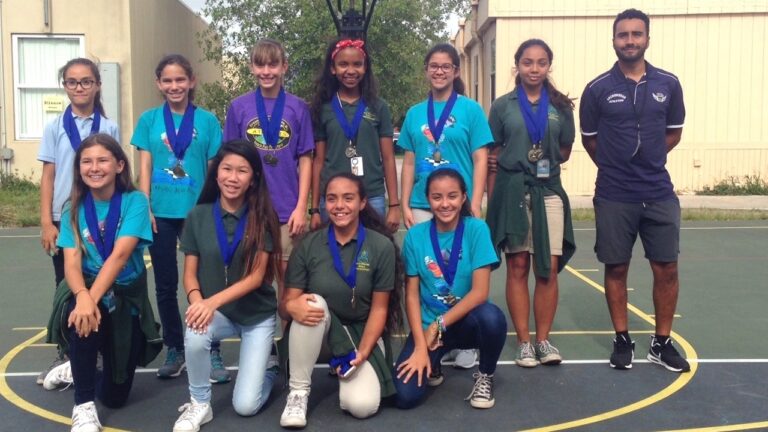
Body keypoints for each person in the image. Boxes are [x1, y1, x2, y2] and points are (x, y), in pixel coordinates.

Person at [580, 8, 689, 373]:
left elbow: (673, 132)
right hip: (614, 193)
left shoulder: (668, 84)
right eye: (623, 35)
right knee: (616, 267)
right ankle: (622, 338)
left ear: (647, 39)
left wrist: (650, 157)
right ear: (614, 40)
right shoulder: (597, 89)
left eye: (636, 34)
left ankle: (661, 343)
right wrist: (617, 164)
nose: (629, 41)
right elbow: (590, 140)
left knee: (667, 267)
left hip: (658, 191)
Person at [43, 134, 162, 432]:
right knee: (82, 319)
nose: (94, 168)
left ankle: (76, 370)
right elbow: (71, 263)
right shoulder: (73, 207)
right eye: (87, 161)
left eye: (102, 160)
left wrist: (89, 298)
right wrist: (83, 297)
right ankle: (83, 406)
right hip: (86, 287)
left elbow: (119, 256)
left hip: (124, 295)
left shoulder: (136, 201)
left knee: (115, 396)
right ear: (79, 168)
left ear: (119, 165)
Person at [172, 140, 282, 431]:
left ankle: (270, 367)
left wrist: (210, 303)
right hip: (219, 313)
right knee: (195, 329)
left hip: (255, 316)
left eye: (242, 171)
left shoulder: (263, 217)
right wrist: (198, 302)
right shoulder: (198, 216)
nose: (233, 178)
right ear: (216, 172)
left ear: (253, 178)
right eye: (227, 169)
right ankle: (199, 403)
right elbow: (190, 275)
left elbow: (256, 277)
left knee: (246, 406)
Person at [278, 173, 403, 428]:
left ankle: (347, 371)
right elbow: (285, 305)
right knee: (311, 303)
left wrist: (363, 353)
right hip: (321, 333)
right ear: (324, 203)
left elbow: (380, 309)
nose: (339, 206)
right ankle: (298, 392)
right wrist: (291, 306)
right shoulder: (309, 244)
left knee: (362, 406)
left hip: (360, 334)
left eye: (348, 198)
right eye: (332, 199)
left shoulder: (381, 246)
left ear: (362, 202)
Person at [398, 43, 493, 369]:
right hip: (423, 203)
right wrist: (405, 203)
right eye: (434, 66)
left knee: (460, 271)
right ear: (426, 70)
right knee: (429, 271)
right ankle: (432, 340)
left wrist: (476, 201)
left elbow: (480, 158)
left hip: (458, 203)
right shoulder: (414, 113)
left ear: (455, 71)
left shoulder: (471, 110)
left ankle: (463, 340)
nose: (439, 71)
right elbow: (410, 162)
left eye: (446, 66)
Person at [131, 54, 225, 382]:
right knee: (166, 283)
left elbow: (214, 169)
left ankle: (212, 347)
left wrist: (211, 208)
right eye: (168, 80)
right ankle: (175, 347)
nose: (174, 86)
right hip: (160, 213)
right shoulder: (148, 120)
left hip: (198, 212)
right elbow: (144, 166)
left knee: (207, 282)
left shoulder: (208, 121)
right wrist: (145, 207)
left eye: (180, 79)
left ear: (191, 81)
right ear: (159, 84)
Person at [486, 39, 577, 368]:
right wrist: (493, 199)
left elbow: (564, 150)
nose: (534, 69)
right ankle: (524, 342)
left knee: (547, 267)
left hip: (548, 189)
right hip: (513, 190)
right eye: (527, 62)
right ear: (517, 66)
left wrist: (540, 162)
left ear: (548, 66)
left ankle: (543, 340)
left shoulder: (561, 106)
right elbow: (493, 153)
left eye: (541, 62)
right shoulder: (502, 106)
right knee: (518, 265)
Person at [37, 58, 120, 385]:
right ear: (65, 87)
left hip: (99, 216)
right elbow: (48, 176)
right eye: (72, 82)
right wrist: (47, 222)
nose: (79, 87)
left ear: (97, 85)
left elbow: (116, 173)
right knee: (65, 287)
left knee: (101, 282)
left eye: (86, 81)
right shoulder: (54, 127)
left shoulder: (109, 127)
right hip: (64, 217)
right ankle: (68, 352)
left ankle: (99, 348)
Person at [394, 168, 507, 409]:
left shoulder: (477, 230)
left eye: (452, 196)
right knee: (405, 396)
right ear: (428, 199)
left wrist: (439, 324)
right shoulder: (415, 237)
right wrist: (421, 344)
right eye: (437, 197)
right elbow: (411, 295)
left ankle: (485, 375)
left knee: (493, 318)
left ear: (463, 197)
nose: (445, 204)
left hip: (464, 322)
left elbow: (480, 293)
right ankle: (433, 362)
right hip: (428, 328)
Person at [224, 39, 315, 309]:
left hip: (288, 211)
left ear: (284, 67)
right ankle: (261, 335)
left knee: (290, 284)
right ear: (251, 67)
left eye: (273, 65)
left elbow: (306, 158)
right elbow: (229, 158)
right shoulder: (239, 107)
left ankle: (287, 336)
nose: (266, 71)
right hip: (251, 209)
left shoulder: (298, 107)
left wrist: (302, 207)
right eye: (260, 65)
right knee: (255, 280)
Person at [309, 37, 401, 233]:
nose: (350, 70)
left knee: (372, 248)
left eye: (357, 64)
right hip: (333, 197)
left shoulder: (378, 107)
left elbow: (388, 158)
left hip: (372, 195)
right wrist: (315, 209)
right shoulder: (322, 108)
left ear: (365, 68)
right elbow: (318, 160)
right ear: (333, 68)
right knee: (334, 248)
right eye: (343, 64)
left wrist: (394, 205)